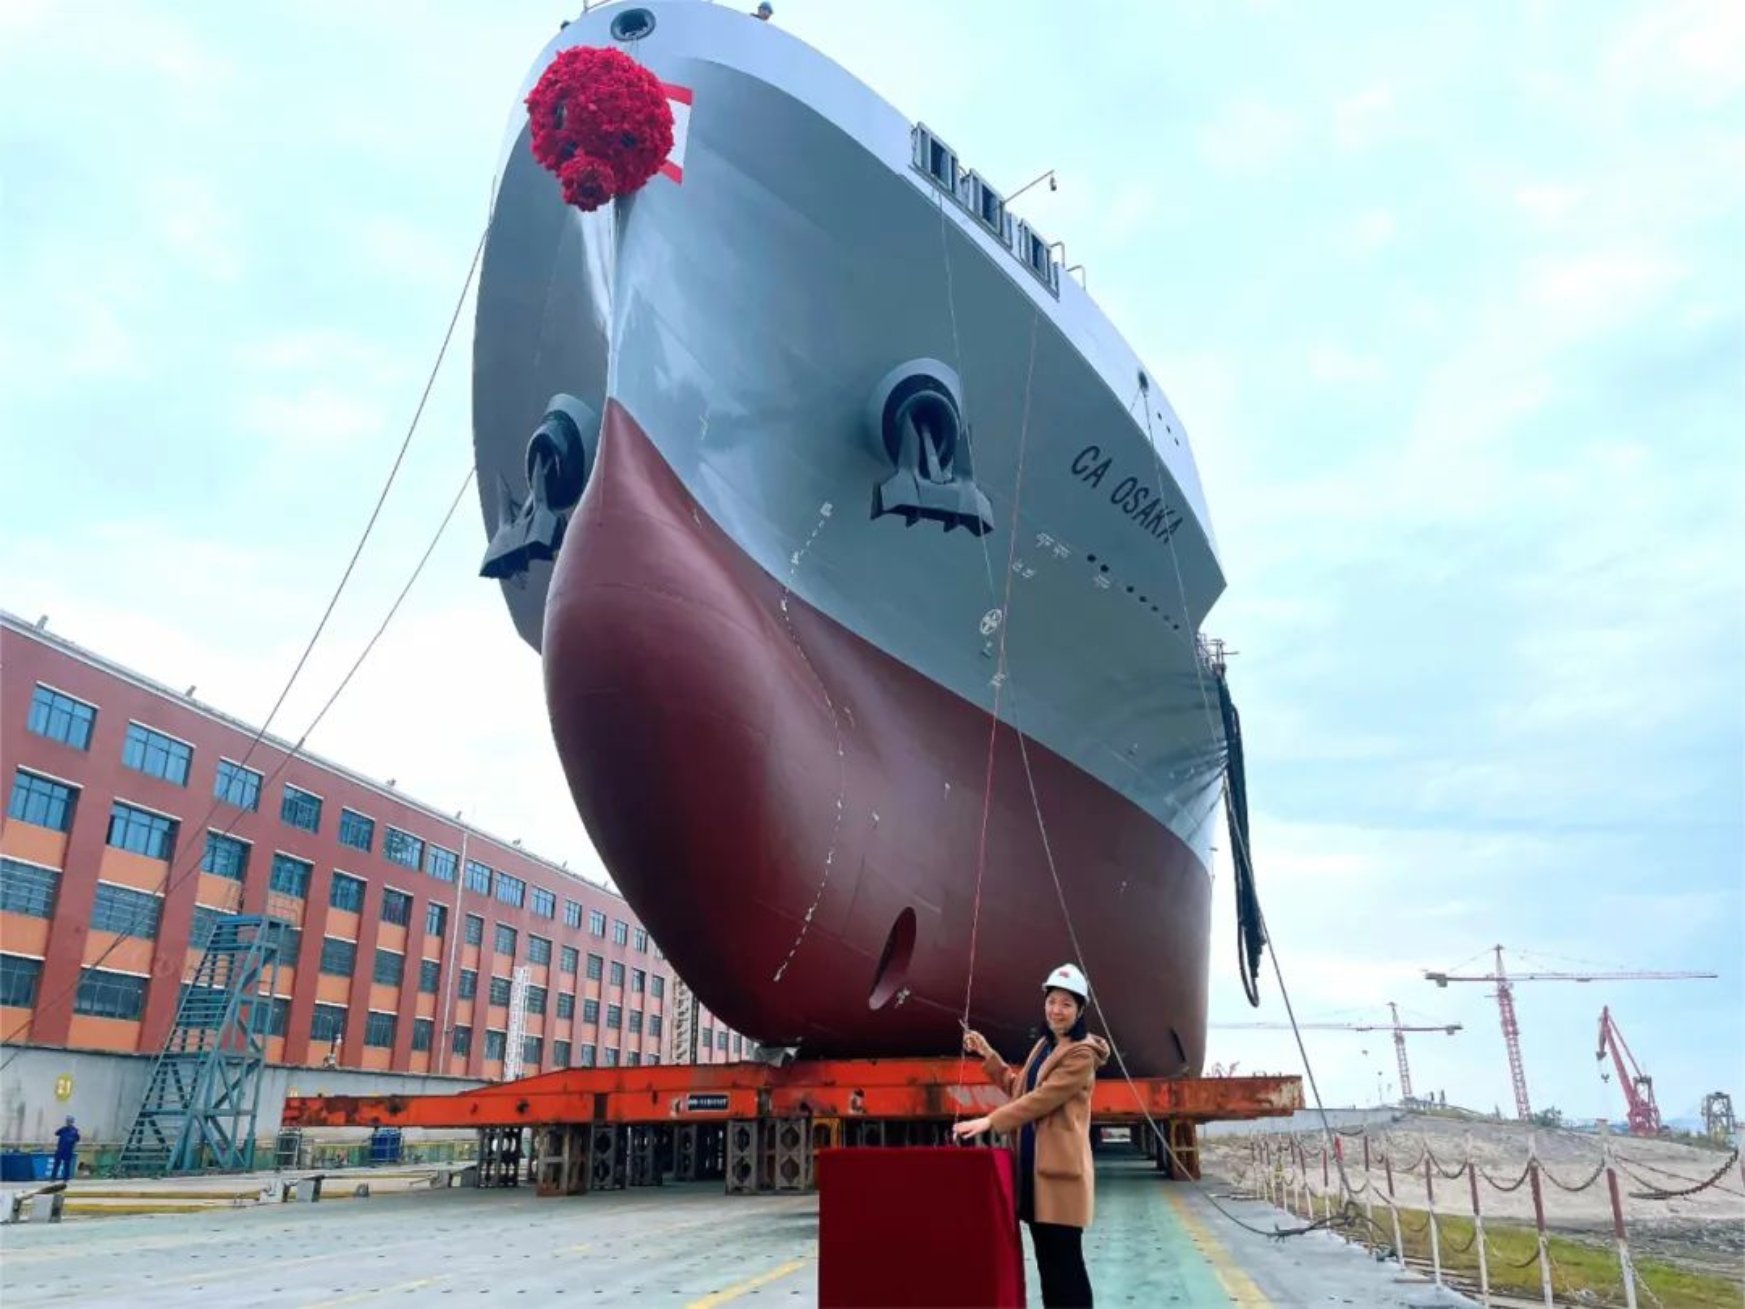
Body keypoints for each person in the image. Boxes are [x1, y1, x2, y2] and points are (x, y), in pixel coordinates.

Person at [954, 964, 1109, 1308]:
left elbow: (1042, 1100)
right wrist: (987, 1053)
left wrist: (991, 1120)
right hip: (1035, 1173)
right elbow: (1019, 1089)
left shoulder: (1081, 1054)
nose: (1056, 1010)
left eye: (1066, 1004)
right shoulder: (1045, 1045)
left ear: (1080, 1009)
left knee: (1066, 1266)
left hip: (1059, 1175)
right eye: (1052, 1001)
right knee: (1048, 1267)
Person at [50, 1115, 80, 1181]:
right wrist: (62, 1129)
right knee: (56, 1164)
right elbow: (56, 1133)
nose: (68, 1122)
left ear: (72, 1122)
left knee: (67, 1165)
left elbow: (77, 1139)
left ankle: (66, 1178)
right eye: (67, 1121)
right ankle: (53, 1178)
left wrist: (72, 1140)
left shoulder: (75, 1131)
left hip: (68, 1151)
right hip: (60, 1150)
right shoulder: (63, 1129)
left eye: (70, 1121)